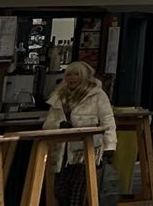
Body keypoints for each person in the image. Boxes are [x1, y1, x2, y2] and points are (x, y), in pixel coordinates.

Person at [43, 61, 117, 206]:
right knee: (60, 191)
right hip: (62, 153)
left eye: (76, 74)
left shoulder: (97, 95)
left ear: (84, 77)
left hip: (86, 151)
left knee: (78, 192)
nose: (72, 78)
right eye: (68, 74)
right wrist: (59, 125)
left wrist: (110, 145)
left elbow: (107, 120)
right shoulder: (58, 97)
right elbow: (48, 123)